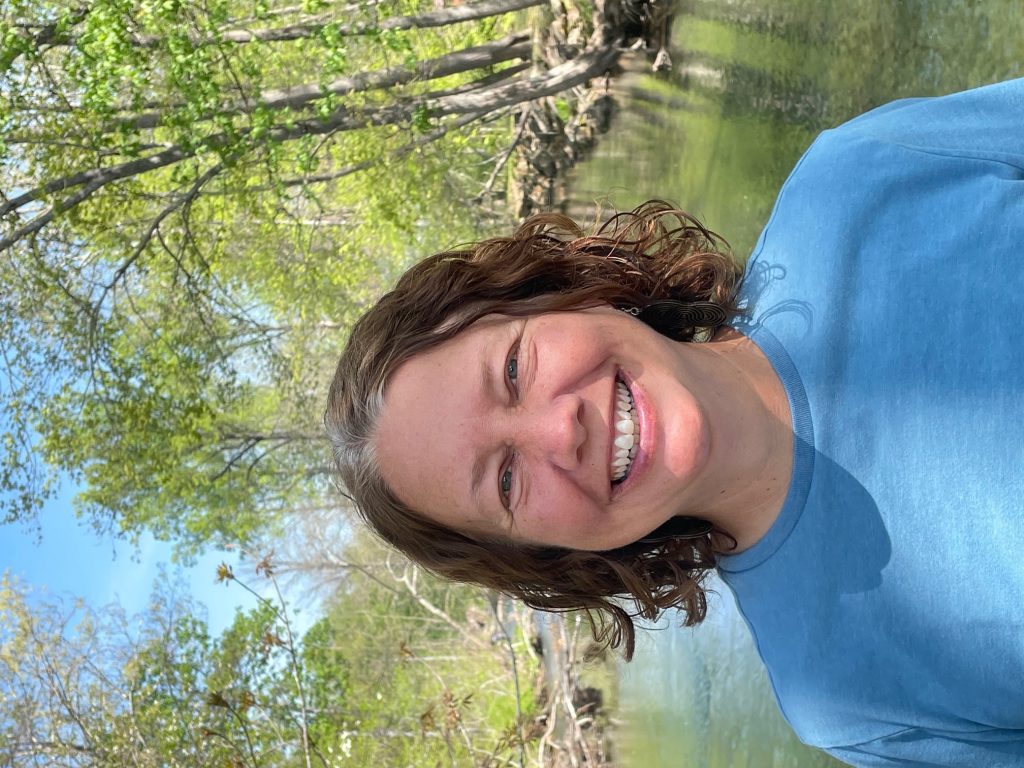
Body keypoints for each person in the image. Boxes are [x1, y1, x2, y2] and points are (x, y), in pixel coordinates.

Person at [325, 77, 1024, 767]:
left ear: (557, 294)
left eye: (513, 369)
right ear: (545, 553)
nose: (561, 432)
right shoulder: (850, 701)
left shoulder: (859, 180)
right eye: (506, 481)